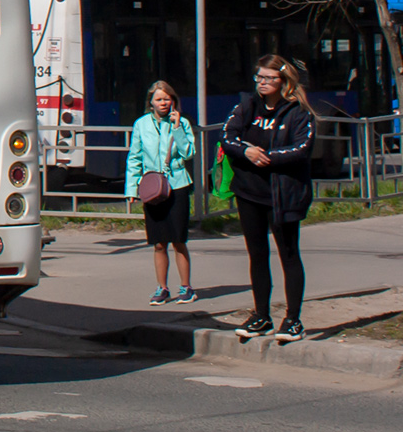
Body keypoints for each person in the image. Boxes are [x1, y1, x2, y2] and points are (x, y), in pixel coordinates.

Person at [221, 55, 314, 343]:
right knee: (257, 255)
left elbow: (302, 148)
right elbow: (228, 135)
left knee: (288, 255)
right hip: (249, 192)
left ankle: (292, 320)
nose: (262, 83)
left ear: (283, 81)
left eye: (268, 78)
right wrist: (246, 151)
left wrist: (268, 157)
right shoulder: (247, 105)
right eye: (259, 77)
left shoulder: (298, 112)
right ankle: (261, 316)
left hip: (282, 195)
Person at [125, 81, 198, 305]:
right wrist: (131, 188)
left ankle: (186, 287)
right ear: (151, 103)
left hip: (177, 185)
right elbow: (135, 157)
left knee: (178, 240)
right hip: (152, 187)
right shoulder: (141, 124)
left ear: (173, 101)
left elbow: (189, 153)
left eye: (167, 99)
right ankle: (162, 288)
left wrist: (177, 128)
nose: (164, 103)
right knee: (158, 242)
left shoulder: (182, 123)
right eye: (159, 99)